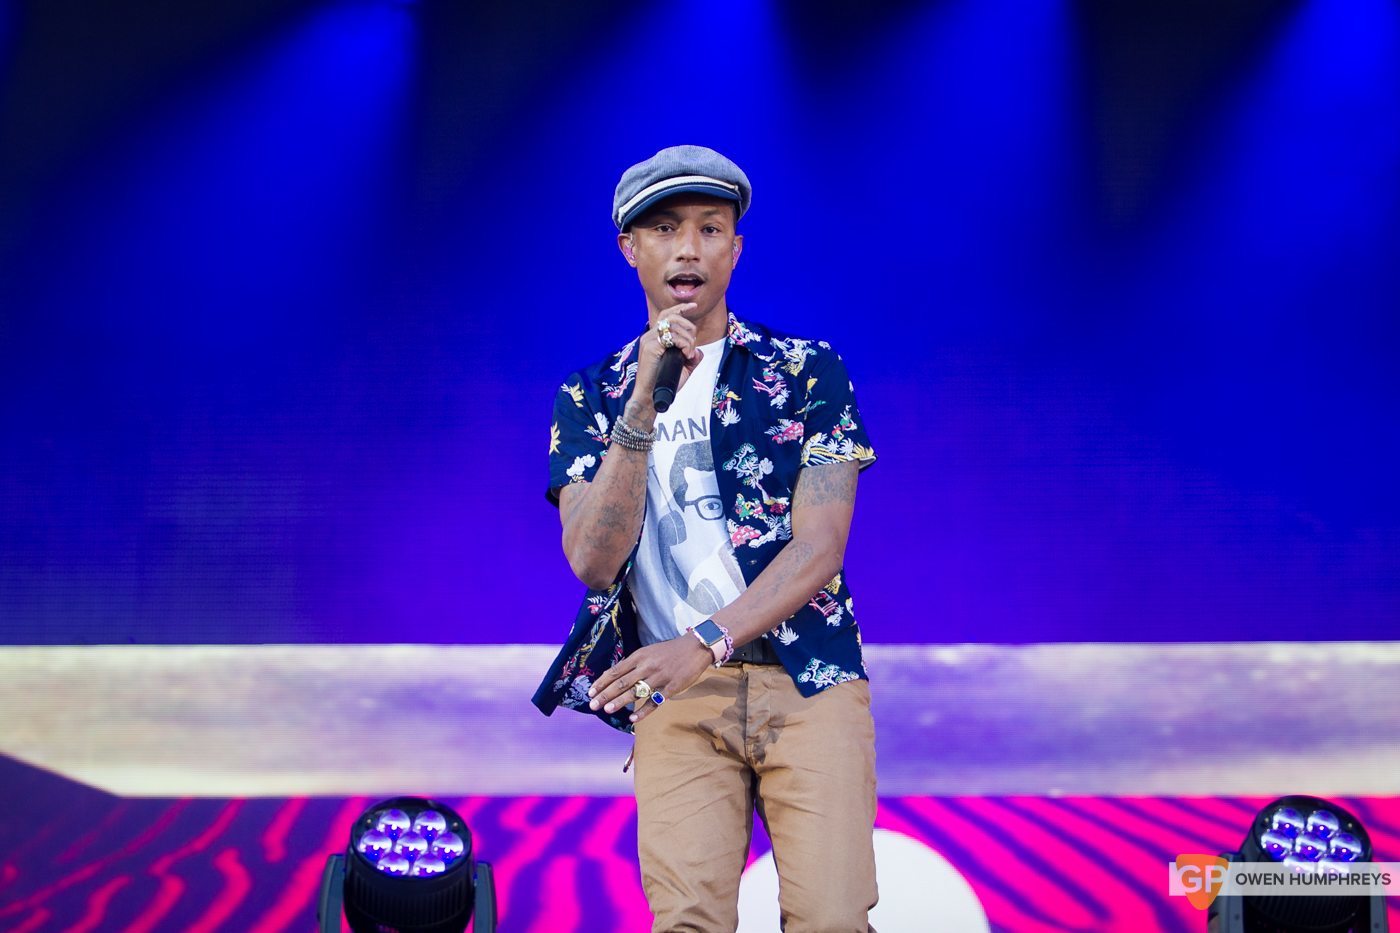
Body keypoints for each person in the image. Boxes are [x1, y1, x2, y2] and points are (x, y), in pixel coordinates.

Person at [533, 145, 879, 932]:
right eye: (664, 228)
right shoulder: (590, 395)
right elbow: (591, 558)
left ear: (736, 247)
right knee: (686, 922)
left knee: (831, 918)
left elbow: (820, 548)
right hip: (676, 696)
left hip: (806, 680)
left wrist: (705, 641)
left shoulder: (805, 371)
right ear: (631, 248)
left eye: (710, 228)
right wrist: (643, 405)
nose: (688, 247)